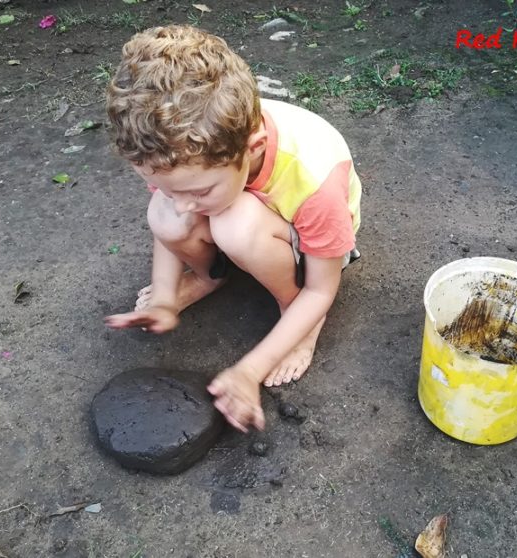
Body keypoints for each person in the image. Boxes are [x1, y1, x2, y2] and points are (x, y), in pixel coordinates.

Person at [103, 25, 361, 432]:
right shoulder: (173, 148)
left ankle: (296, 318)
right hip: (242, 213)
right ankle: (210, 277)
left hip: (309, 248)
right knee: (166, 214)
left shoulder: (314, 179)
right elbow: (176, 206)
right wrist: (165, 297)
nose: (183, 201)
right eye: (170, 187)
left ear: (253, 149)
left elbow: (321, 288)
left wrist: (249, 370)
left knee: (236, 225)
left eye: (197, 190)